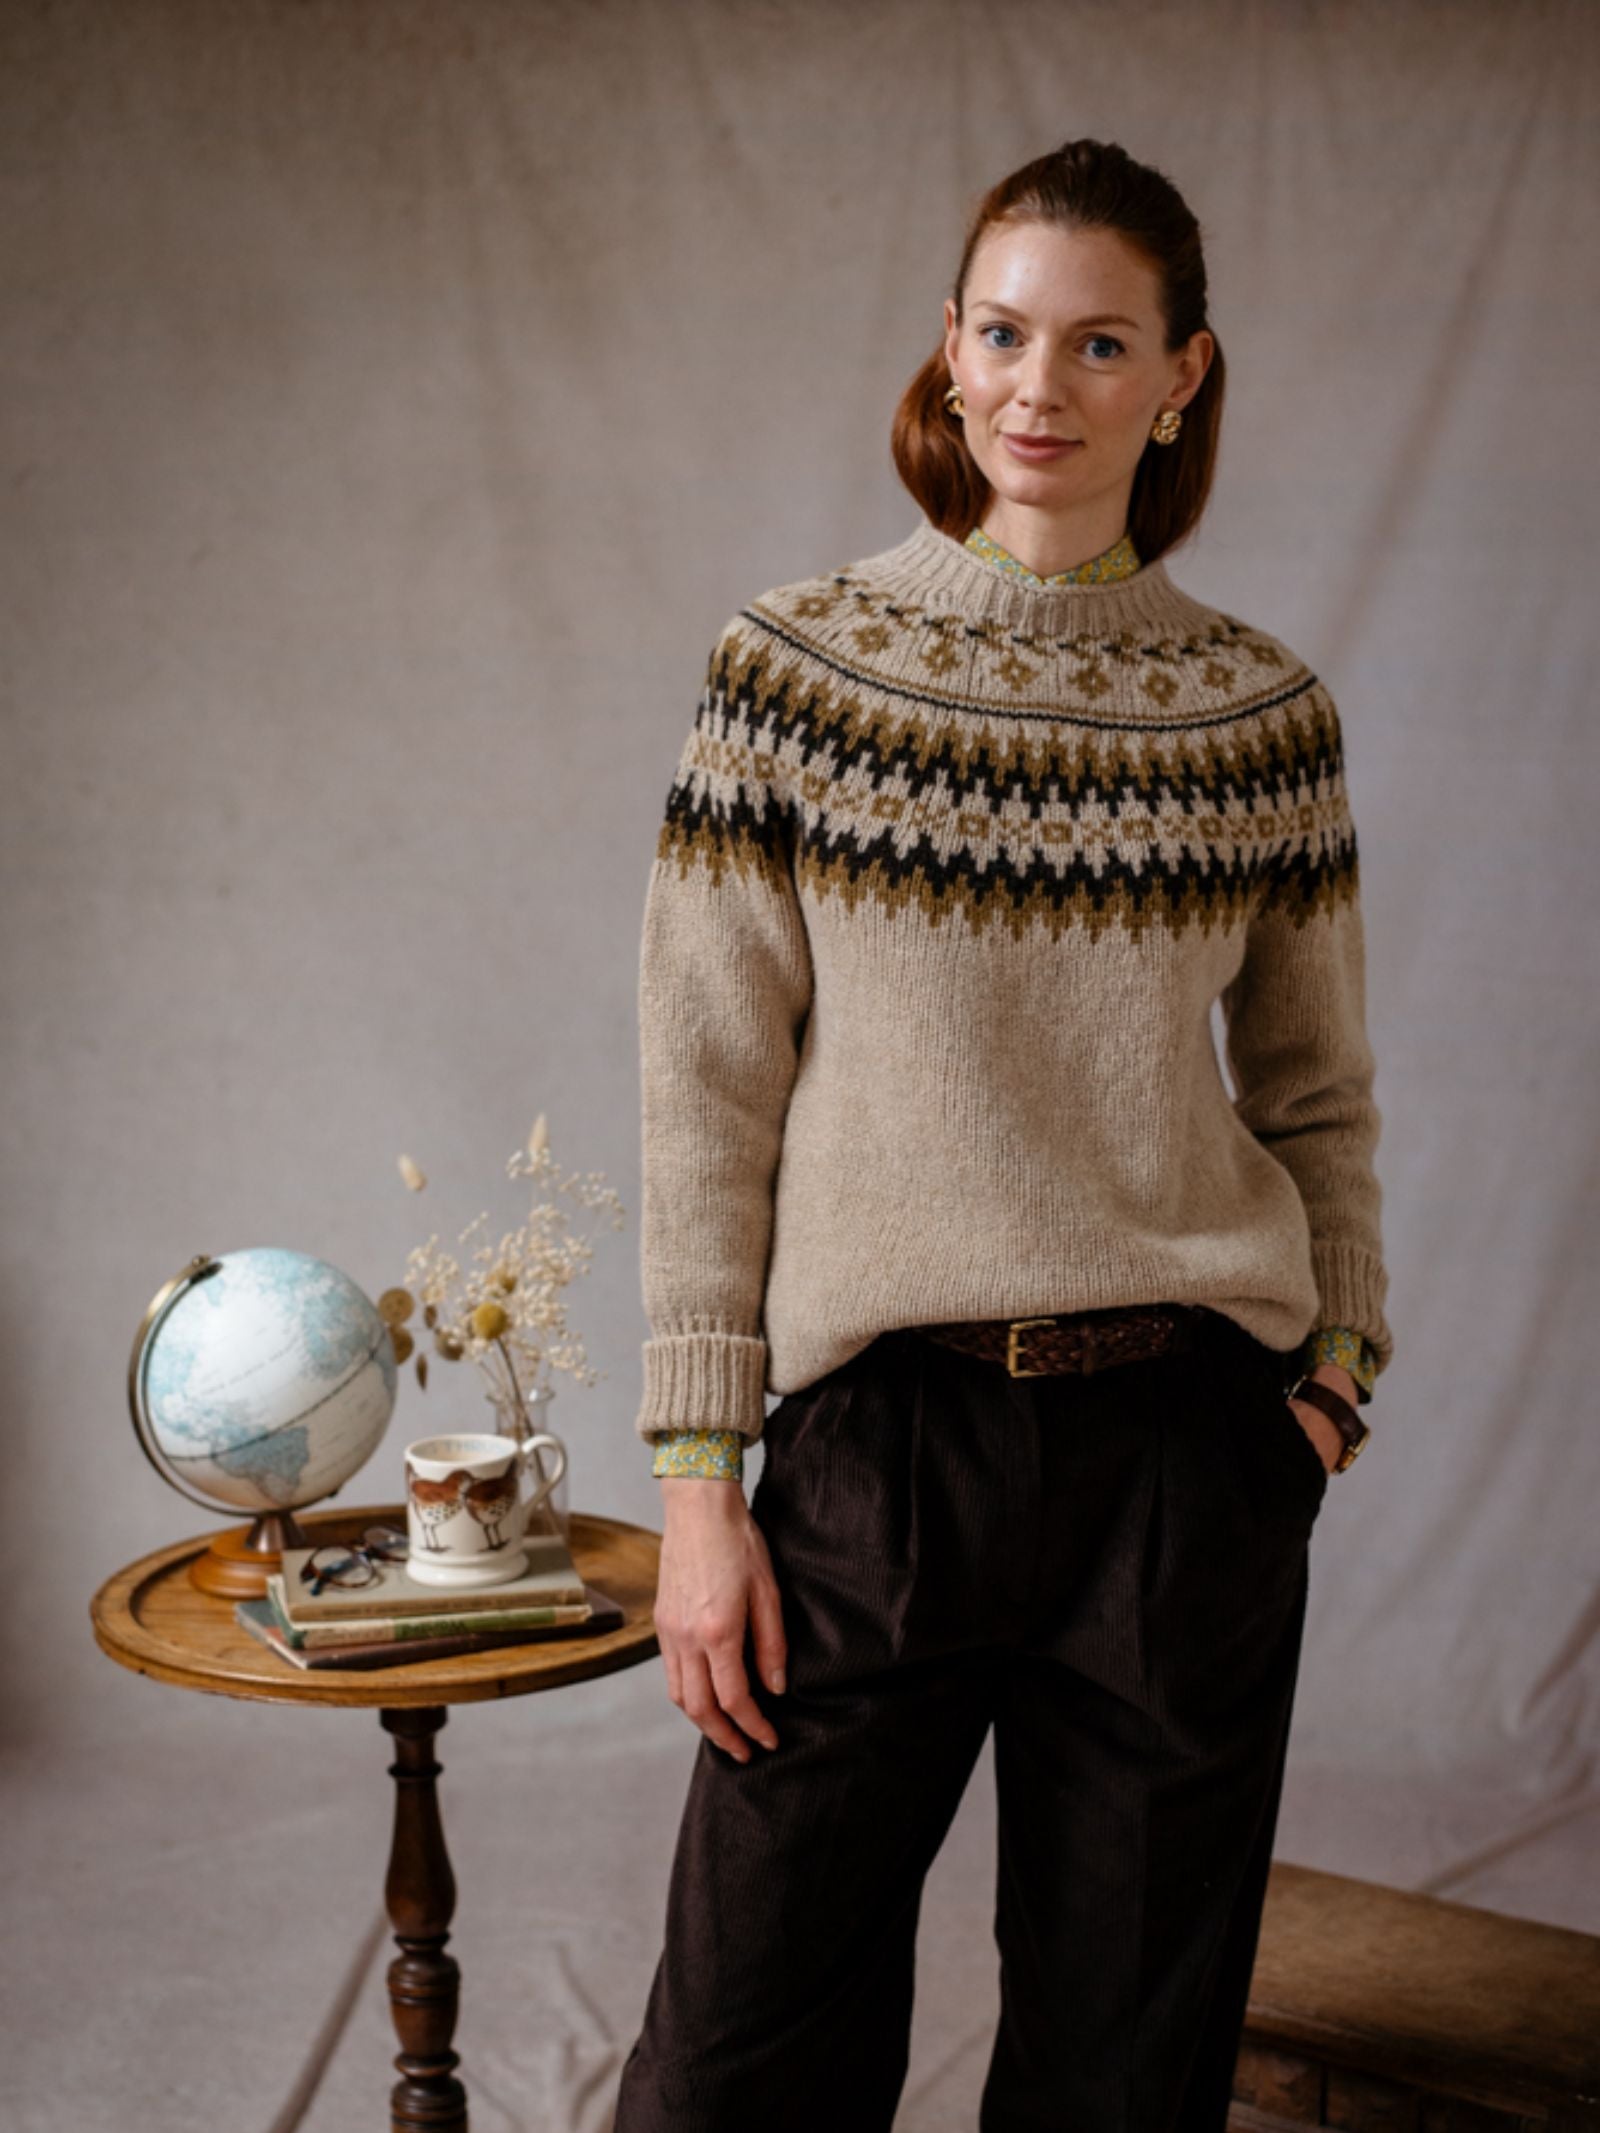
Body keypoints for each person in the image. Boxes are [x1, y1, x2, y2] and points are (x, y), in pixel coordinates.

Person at [612, 135, 1393, 2133]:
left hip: (1181, 1459)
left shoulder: (1255, 716)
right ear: (948, 358)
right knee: (733, 2070)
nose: (1039, 382)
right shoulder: (791, 674)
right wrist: (703, 1488)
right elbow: (707, 1093)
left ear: (1178, 377)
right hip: (878, 1450)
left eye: (1097, 339)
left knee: (1121, 2080)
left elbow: (1311, 1090)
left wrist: (1327, 1376)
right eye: (1000, 329)